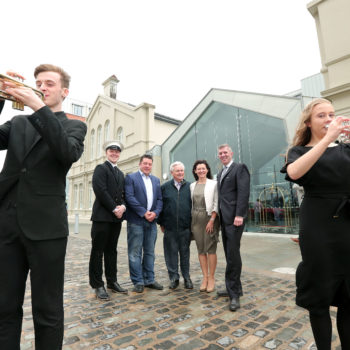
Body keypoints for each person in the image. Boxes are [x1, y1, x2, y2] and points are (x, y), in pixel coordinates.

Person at [0, 65, 87, 350]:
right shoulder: (18, 124)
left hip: (47, 230)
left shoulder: (74, 126)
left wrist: (38, 106)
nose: (42, 87)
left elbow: (66, 152)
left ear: (64, 91)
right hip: (7, 225)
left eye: (49, 83)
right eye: (38, 83)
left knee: (47, 311)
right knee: (4, 307)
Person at [280, 98, 350, 350]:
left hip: (347, 224)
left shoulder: (345, 149)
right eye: (321, 116)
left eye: (332, 114)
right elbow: (295, 173)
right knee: (319, 294)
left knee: (348, 298)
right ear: (308, 122)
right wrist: (326, 140)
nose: (329, 119)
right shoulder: (298, 151)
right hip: (318, 226)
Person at [89, 141, 128, 300]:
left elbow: (123, 195)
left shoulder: (120, 173)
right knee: (98, 251)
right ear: (106, 152)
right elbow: (100, 190)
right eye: (111, 151)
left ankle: (112, 281)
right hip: (102, 218)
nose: (114, 154)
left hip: (116, 219)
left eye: (117, 152)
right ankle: (98, 284)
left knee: (112, 251)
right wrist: (115, 208)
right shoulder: (101, 169)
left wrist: (123, 207)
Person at [216, 144, 250, 311]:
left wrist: (239, 215)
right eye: (220, 153)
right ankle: (234, 288)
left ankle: (234, 295)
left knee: (233, 254)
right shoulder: (220, 172)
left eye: (225, 152)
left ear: (231, 153)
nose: (223, 155)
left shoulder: (239, 168)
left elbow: (243, 192)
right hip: (225, 219)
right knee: (230, 253)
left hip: (235, 219)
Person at [124, 154, 163, 293]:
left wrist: (155, 213)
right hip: (136, 221)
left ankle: (149, 279)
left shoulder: (156, 180)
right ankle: (138, 281)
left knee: (150, 252)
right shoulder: (131, 178)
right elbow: (129, 197)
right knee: (135, 252)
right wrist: (143, 212)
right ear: (140, 164)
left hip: (151, 221)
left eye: (149, 164)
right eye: (145, 163)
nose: (147, 166)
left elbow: (159, 199)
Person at [158, 161, 193, 290]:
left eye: (182, 171)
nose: (180, 173)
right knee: (171, 254)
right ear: (172, 172)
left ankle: (187, 278)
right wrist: (161, 222)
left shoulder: (190, 186)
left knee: (185, 253)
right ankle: (174, 278)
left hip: (185, 227)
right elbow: (160, 206)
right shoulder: (165, 187)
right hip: (170, 227)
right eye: (177, 171)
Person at [190, 160, 219, 293]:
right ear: (195, 171)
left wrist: (212, 220)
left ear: (207, 170)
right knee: (201, 249)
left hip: (209, 218)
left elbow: (216, 203)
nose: (201, 171)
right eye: (198, 169)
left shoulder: (213, 184)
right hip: (196, 219)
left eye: (203, 168)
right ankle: (205, 277)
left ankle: (212, 278)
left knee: (210, 249)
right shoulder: (192, 185)